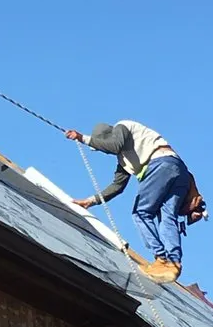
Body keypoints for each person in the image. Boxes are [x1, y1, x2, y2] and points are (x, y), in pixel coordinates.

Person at [65, 120, 190, 284]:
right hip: (178, 168)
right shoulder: (124, 158)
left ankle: (161, 259)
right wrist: (90, 201)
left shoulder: (122, 126)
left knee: (141, 213)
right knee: (168, 216)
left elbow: (114, 145)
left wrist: (82, 138)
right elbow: (118, 185)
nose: (105, 152)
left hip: (160, 164)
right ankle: (173, 263)